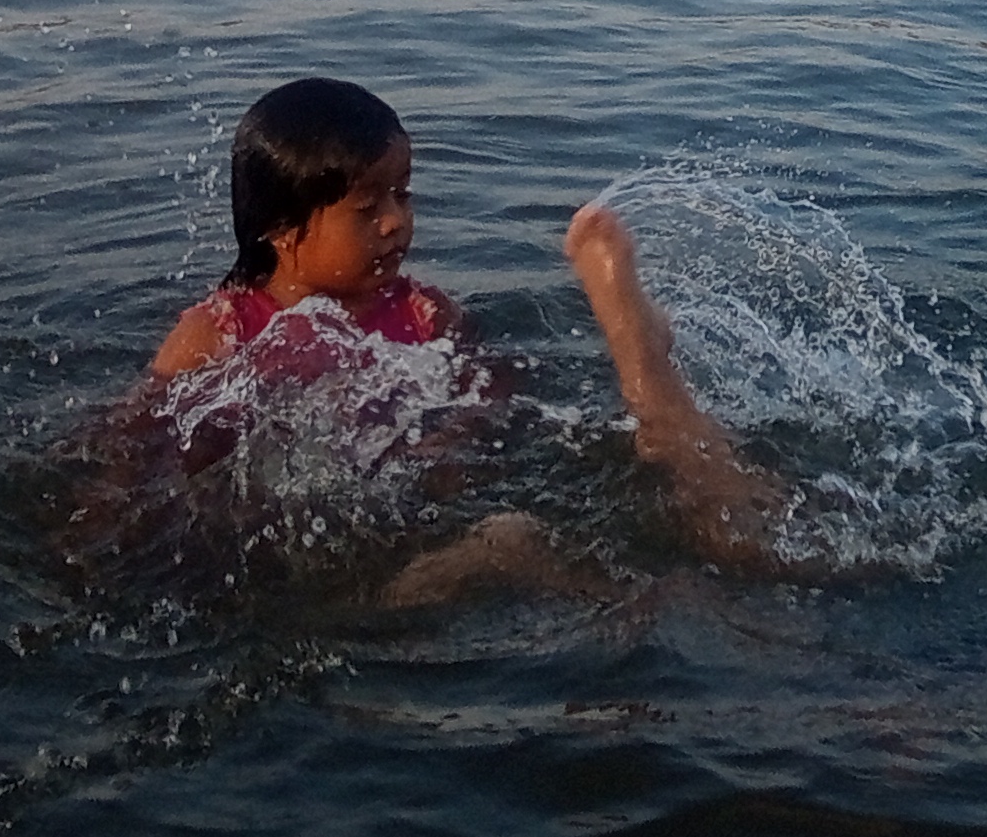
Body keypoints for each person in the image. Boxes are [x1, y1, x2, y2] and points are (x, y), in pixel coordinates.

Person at [148, 74, 784, 583]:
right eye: (368, 208)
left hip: (417, 500)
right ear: (282, 232)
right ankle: (654, 404)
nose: (396, 222)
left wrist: (457, 434)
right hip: (313, 529)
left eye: (403, 194)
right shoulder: (220, 332)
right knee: (516, 544)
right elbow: (142, 440)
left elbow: (494, 382)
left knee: (509, 541)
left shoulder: (424, 311)